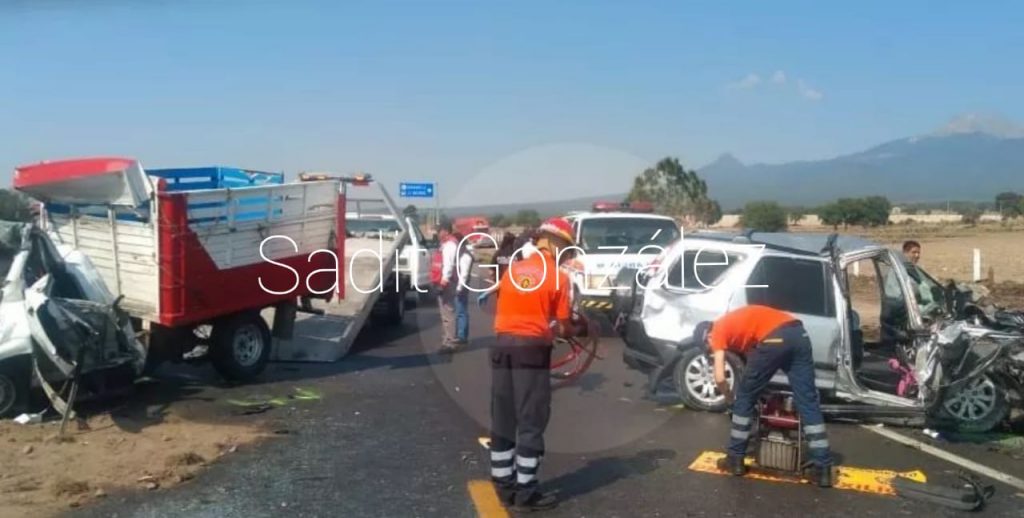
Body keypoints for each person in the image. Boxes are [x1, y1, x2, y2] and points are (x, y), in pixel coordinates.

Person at [488, 217, 583, 512]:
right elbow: (565, 326)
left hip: (502, 347)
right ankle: (526, 492)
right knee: (530, 420)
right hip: (531, 351)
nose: (566, 255)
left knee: (503, 418)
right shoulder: (559, 278)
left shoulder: (512, 271)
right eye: (566, 249)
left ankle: (503, 487)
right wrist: (572, 329)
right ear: (555, 244)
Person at [696, 304, 834, 487]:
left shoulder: (718, 329)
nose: (712, 350)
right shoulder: (737, 327)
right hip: (799, 334)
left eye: (709, 348)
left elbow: (720, 378)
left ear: (707, 336)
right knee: (807, 401)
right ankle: (822, 469)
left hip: (774, 337)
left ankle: (735, 459)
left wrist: (730, 399)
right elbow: (755, 361)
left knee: (744, 397)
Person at [437, 222, 460, 352]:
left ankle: (450, 342)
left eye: (439, 231)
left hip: (448, 281)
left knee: (447, 311)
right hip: (446, 280)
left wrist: (444, 281)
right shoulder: (446, 244)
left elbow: (448, 264)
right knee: (445, 312)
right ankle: (447, 339)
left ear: (445, 231)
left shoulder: (450, 245)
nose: (438, 233)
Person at [453, 232, 475, 344]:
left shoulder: (465, 255)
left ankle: (462, 336)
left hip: (461, 287)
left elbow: (464, 274)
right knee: (459, 311)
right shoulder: (459, 252)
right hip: (458, 286)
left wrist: (459, 288)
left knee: (461, 311)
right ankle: (459, 333)